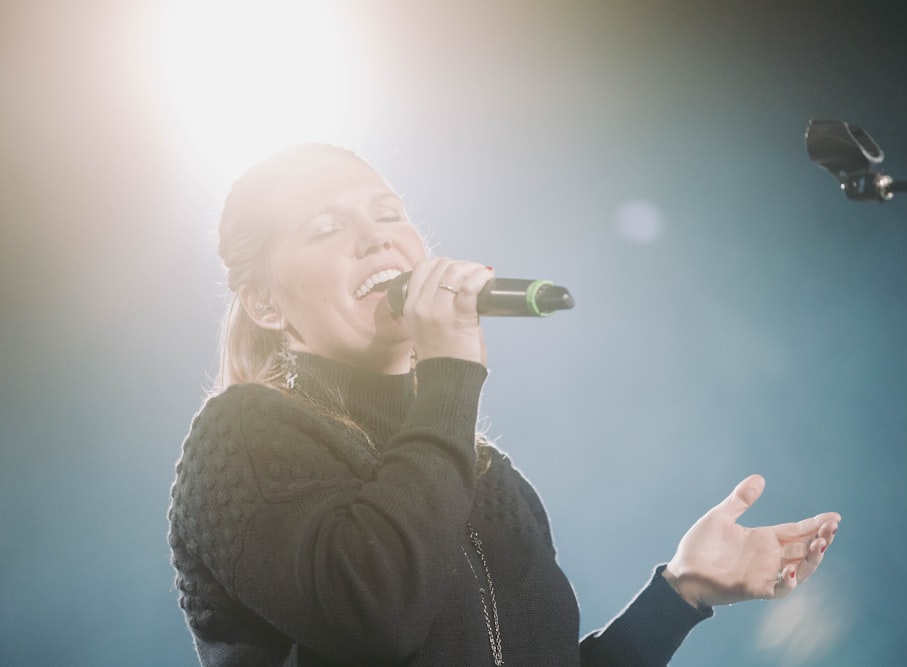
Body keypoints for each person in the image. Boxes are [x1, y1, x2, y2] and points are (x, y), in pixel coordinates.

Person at [167, 143, 840, 666]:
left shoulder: (487, 476)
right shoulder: (243, 435)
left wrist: (682, 591)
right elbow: (375, 613)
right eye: (324, 227)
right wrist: (450, 375)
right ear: (264, 302)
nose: (375, 238)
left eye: (387, 212)